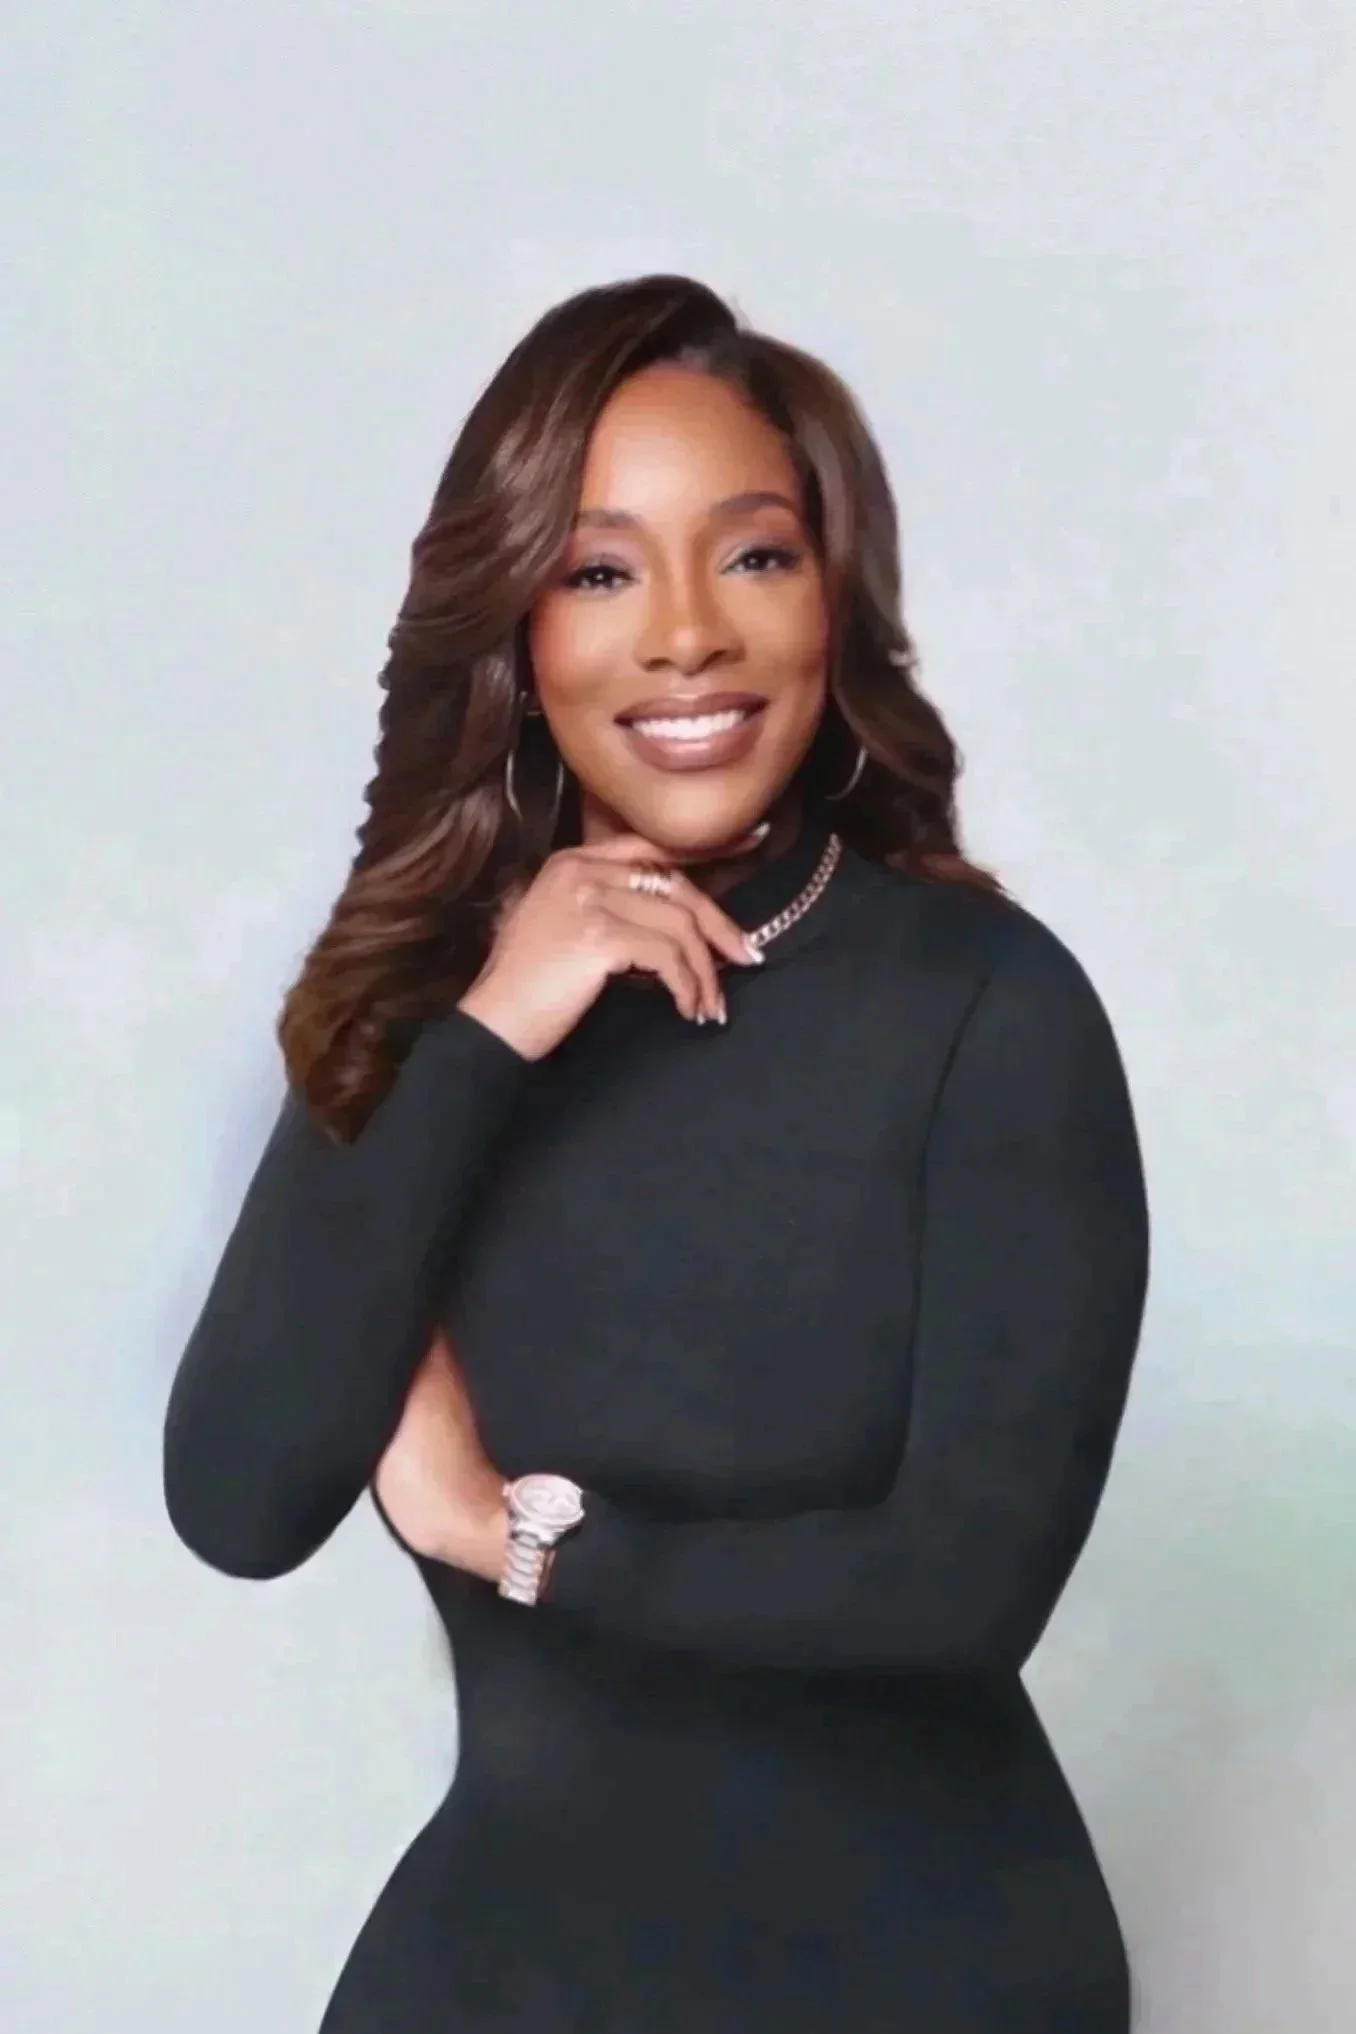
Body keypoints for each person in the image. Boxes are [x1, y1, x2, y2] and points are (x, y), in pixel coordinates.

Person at [162, 274, 1150, 2033]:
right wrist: (482, 1032)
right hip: (512, 1981)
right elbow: (239, 1499)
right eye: (601, 570)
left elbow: (963, 1588)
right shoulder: (430, 1025)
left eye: (753, 555)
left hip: (921, 1980)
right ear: (518, 628)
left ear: (834, 597)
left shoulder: (987, 1010)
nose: (684, 633)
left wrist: (517, 1540)